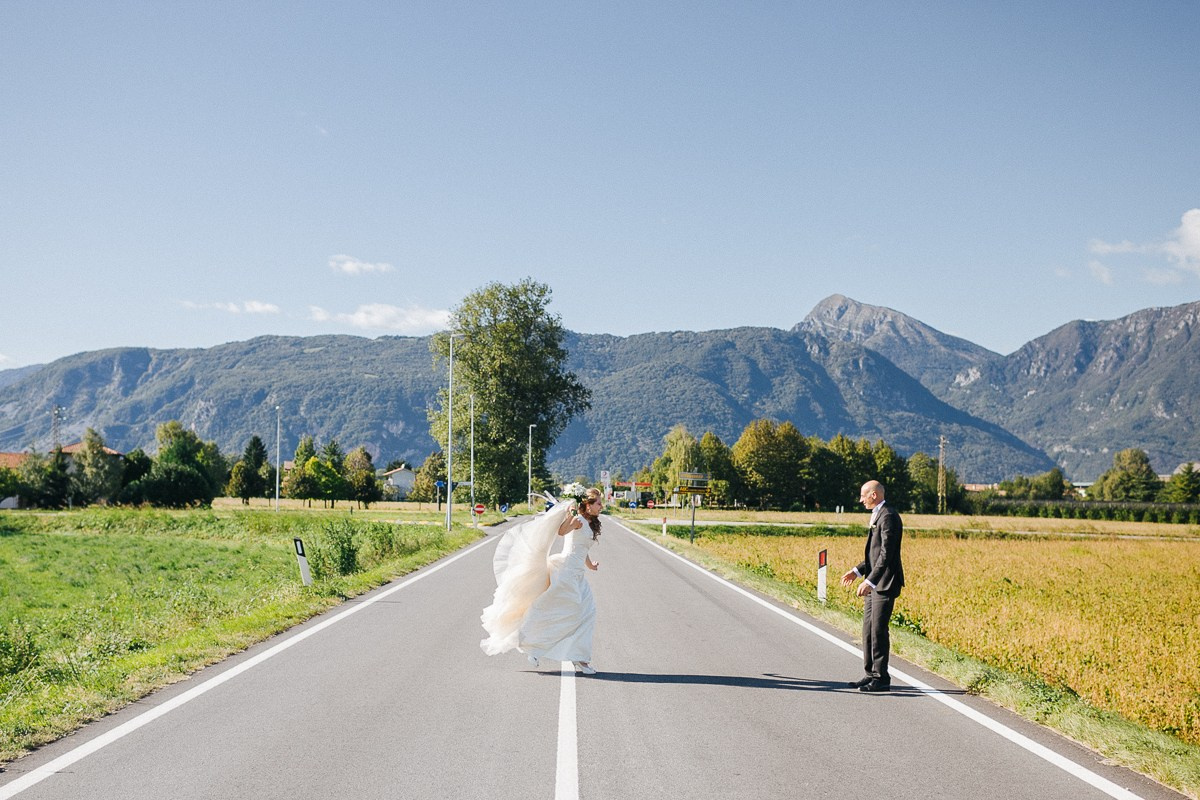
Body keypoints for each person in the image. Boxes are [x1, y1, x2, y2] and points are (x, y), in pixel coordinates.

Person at [480, 487, 603, 675]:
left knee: (588, 613)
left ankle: (580, 658)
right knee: (556, 611)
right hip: (566, 572)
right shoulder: (578, 520)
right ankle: (532, 646)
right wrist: (570, 514)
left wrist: (590, 564)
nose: (602, 506)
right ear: (587, 505)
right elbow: (562, 532)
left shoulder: (589, 522)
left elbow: (582, 548)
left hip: (578, 574)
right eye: (599, 503)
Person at [841, 479, 904, 692]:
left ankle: (881, 678)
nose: (861, 500)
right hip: (875, 583)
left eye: (863, 496)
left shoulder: (889, 516)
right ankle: (869, 674)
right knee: (867, 629)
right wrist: (858, 571)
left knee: (878, 630)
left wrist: (870, 581)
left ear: (873, 495)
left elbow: (887, 554)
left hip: (885, 583)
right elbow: (874, 554)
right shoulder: (878, 513)